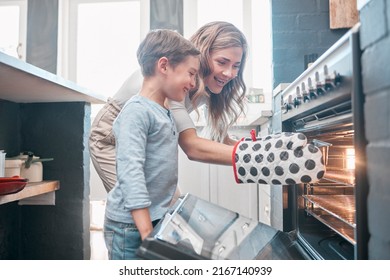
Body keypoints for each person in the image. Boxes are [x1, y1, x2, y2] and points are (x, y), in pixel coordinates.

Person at [89, 21, 325, 194]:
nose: (230, 73)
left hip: (146, 139)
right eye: (222, 62)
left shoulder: (202, 84)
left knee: (169, 206)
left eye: (236, 66)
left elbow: (222, 141)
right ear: (202, 55)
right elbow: (193, 147)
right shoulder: (174, 76)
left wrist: (258, 149)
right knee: (138, 210)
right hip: (110, 137)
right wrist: (260, 158)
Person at [104, 29, 200, 260]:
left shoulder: (163, 111)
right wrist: (147, 233)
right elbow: (131, 173)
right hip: (130, 227)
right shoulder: (137, 112)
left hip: (152, 218)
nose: (193, 83)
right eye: (191, 73)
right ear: (164, 66)